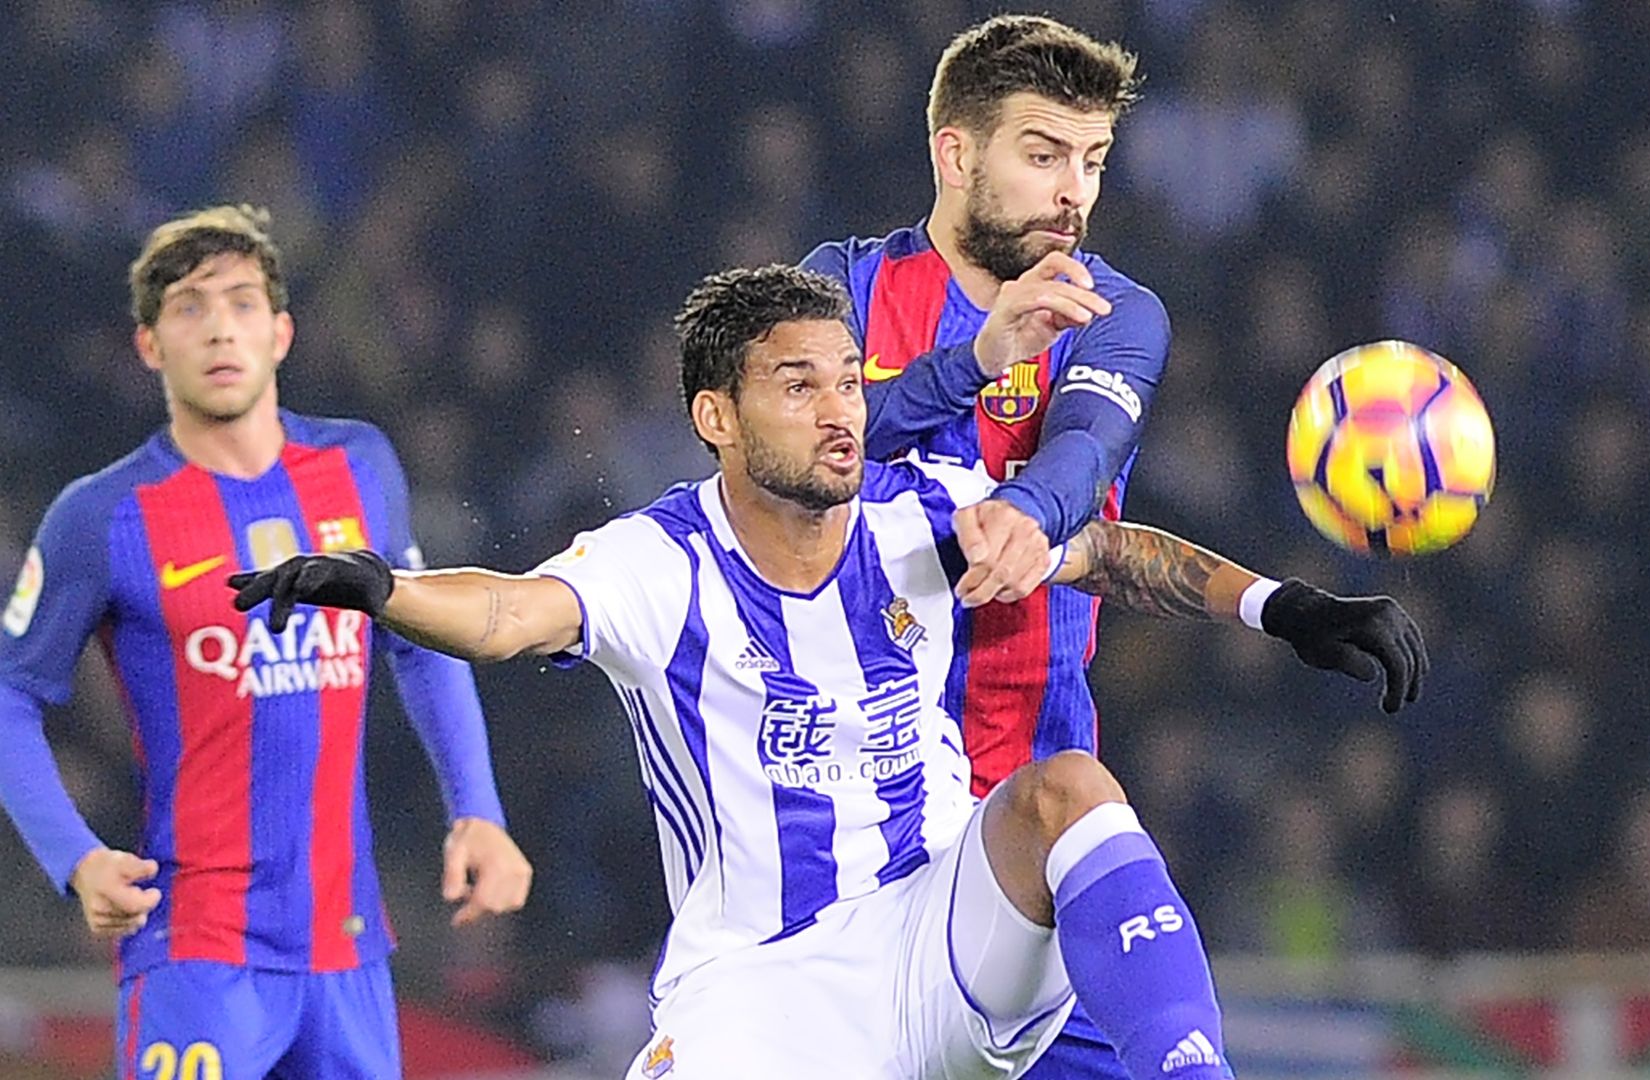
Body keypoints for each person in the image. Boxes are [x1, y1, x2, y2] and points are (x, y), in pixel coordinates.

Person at [231, 265, 1426, 1078]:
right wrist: (384, 590)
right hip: (761, 997)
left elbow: (1104, 548)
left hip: (941, 938)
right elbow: (507, 611)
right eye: (798, 386)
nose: (841, 408)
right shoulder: (662, 561)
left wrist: (1285, 606)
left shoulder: (928, 509)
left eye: (849, 379)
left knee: (1068, 789)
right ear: (716, 414)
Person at [803, 19, 1422, 1073]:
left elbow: (1086, 459)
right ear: (956, 154)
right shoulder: (845, 291)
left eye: (1091, 161)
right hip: (851, 834)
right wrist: (976, 360)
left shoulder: (1114, 310)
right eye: (1042, 155)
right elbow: (810, 451)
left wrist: (1272, 602)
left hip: (1028, 824)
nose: (1071, 193)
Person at [0, 205, 531, 1079]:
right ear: (148, 346)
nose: (219, 327)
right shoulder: (100, 516)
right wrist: (75, 858)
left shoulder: (360, 467)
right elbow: (14, 695)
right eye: (189, 306)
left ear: (281, 333)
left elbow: (420, 641)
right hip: (197, 948)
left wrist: (478, 808)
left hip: (347, 943)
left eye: (242, 302)